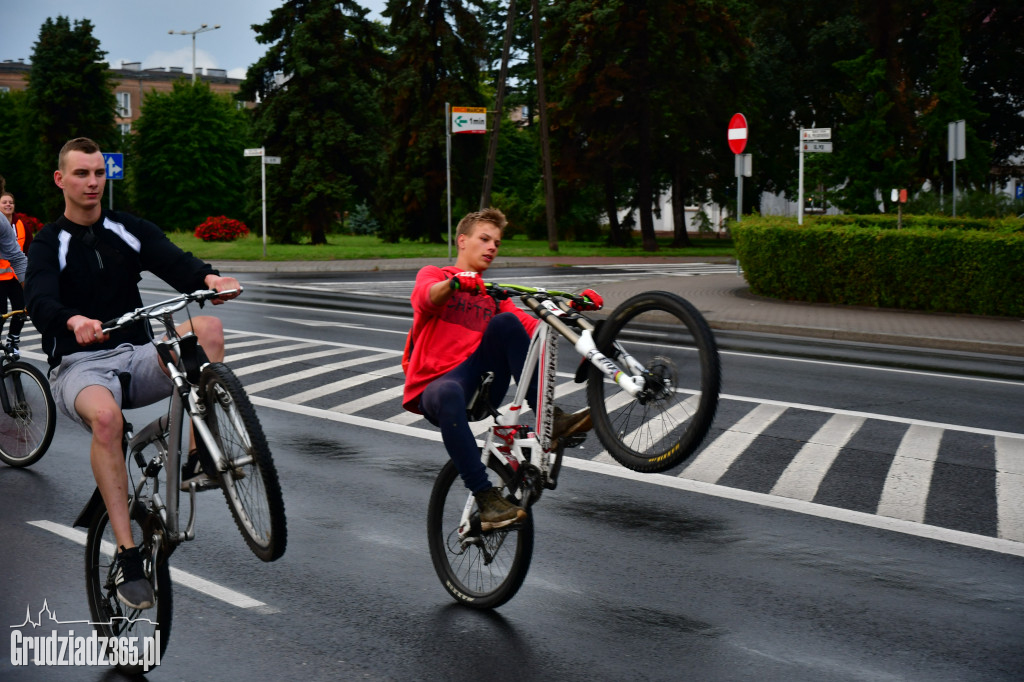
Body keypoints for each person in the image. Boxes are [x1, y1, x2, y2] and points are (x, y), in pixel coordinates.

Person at [25, 138, 241, 610]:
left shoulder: (126, 228)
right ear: (61, 180)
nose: (93, 182)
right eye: (82, 174)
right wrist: (72, 320)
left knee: (206, 330)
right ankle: (126, 554)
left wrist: (210, 280)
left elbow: (173, 260)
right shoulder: (48, 242)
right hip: (80, 366)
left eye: (99, 173)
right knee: (107, 422)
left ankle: (194, 459)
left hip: (137, 353)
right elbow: (38, 297)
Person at [402, 208, 601, 530]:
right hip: (437, 386)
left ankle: (549, 418)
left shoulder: (493, 297)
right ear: (462, 241)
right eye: (484, 239)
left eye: (497, 241)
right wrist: (455, 284)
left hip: (479, 383)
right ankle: (485, 497)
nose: (492, 247)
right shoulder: (436, 275)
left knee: (509, 322)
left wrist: (574, 316)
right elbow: (426, 298)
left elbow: (536, 329)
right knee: (450, 390)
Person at [0, 189, 29, 357]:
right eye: (4, 202)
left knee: (20, 309)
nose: (8, 204)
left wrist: (32, 291)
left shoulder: (17, 225)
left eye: (10, 202)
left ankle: (13, 340)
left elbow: (20, 256)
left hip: (14, 277)